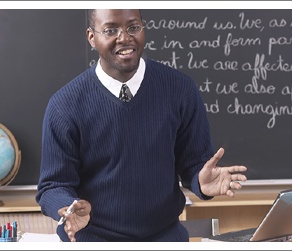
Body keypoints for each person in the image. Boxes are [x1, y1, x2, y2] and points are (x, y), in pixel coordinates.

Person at [35, 9, 247, 242]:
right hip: (91, 238)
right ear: (92, 37)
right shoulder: (64, 105)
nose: (125, 38)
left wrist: (200, 182)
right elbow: (53, 186)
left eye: (133, 27)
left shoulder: (180, 89)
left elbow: (194, 164)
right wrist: (68, 206)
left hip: (164, 237)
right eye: (110, 30)